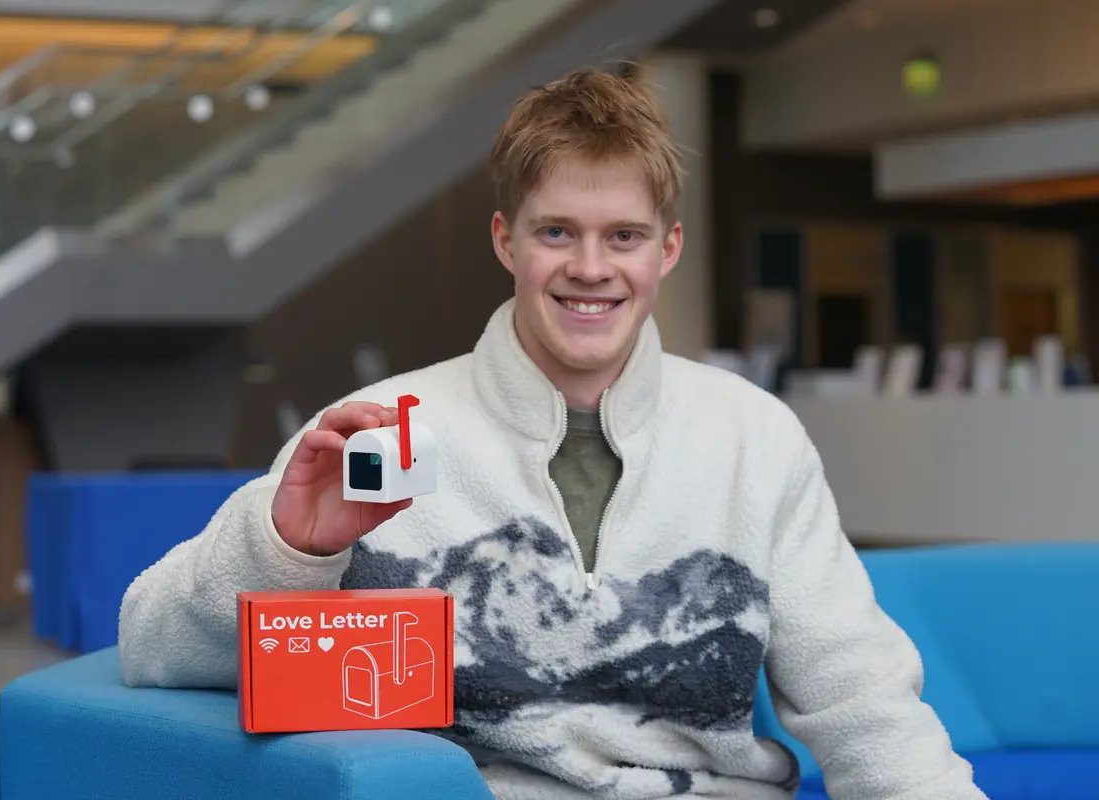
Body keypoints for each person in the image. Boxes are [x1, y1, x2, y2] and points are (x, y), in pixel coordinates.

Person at [118, 68, 986, 800]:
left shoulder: (755, 438)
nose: (591, 268)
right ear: (507, 241)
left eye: (624, 236)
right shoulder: (376, 431)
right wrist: (289, 552)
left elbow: (861, 700)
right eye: (557, 232)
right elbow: (152, 645)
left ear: (668, 250)